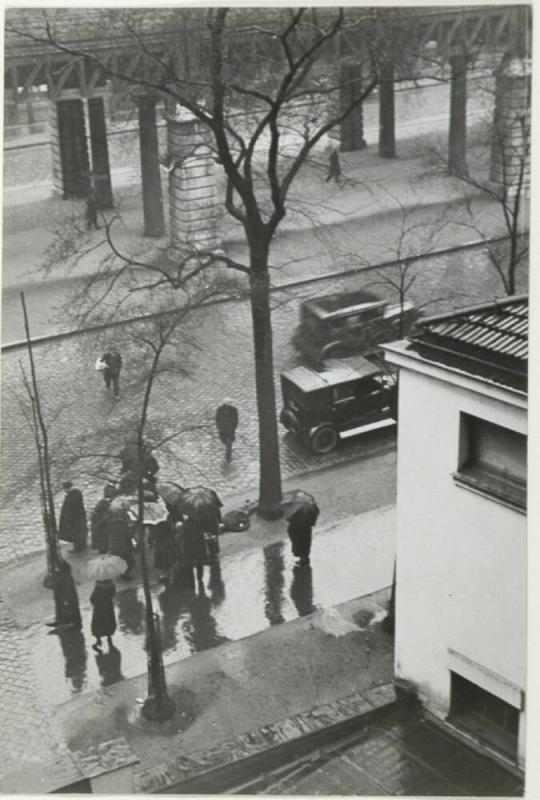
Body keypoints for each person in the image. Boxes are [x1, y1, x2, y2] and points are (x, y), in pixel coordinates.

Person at [46, 559, 82, 632]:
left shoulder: (65, 576)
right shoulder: (65, 575)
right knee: (69, 609)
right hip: (67, 596)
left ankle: (74, 624)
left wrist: (66, 598)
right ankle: (67, 622)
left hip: (69, 597)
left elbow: (67, 588)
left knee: (72, 610)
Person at [175, 517, 210, 589]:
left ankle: (192, 584)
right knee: (199, 564)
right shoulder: (199, 523)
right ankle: (200, 579)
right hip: (199, 548)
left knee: (189, 566)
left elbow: (180, 537)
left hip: (189, 549)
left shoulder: (185, 525)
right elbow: (204, 534)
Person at [107, 504, 136, 579]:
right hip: (124, 546)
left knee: (118, 560)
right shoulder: (123, 525)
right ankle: (125, 574)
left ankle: (121, 572)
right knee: (128, 561)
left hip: (114, 545)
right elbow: (129, 535)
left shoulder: (109, 524)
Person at [59, 481, 88, 553]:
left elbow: (69, 510)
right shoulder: (77, 493)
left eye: (64, 489)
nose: (64, 491)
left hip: (74, 518)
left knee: (75, 532)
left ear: (67, 488)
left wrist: (66, 520)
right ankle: (82, 545)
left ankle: (77, 548)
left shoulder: (71, 497)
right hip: (80, 516)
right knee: (81, 531)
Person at [89, 579, 117, 651]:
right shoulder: (111, 585)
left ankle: (98, 640)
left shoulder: (97, 587)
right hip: (108, 609)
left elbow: (92, 599)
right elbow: (113, 594)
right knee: (108, 623)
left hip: (99, 610)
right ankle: (109, 638)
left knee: (97, 625)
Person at [91, 484, 116, 553]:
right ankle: (104, 549)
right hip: (105, 522)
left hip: (106, 522)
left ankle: (105, 549)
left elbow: (97, 512)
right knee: (105, 537)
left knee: (106, 537)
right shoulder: (103, 502)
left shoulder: (103, 502)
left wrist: (101, 520)